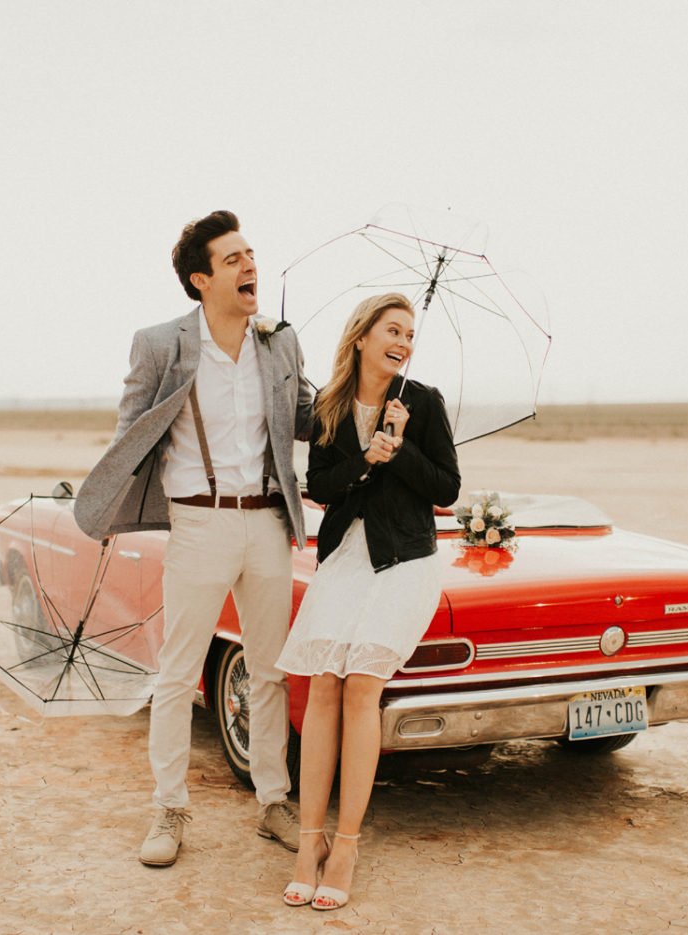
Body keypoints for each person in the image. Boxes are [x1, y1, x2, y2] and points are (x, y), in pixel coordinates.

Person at [71, 210, 312, 866]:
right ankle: (169, 807)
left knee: (270, 671)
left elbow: (310, 418)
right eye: (233, 259)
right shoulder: (160, 344)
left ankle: (273, 801)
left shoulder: (279, 342)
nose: (250, 266)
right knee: (178, 672)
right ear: (201, 279)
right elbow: (132, 434)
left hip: (267, 521)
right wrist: (110, 505)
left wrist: (372, 403)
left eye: (251, 254)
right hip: (199, 521)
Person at [274, 292, 460, 910]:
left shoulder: (423, 402)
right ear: (361, 337)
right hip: (345, 560)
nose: (404, 341)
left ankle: (346, 844)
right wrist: (364, 460)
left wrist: (401, 449)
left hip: (405, 558)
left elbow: (448, 489)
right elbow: (319, 485)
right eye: (393, 330)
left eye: (411, 333)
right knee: (323, 682)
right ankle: (310, 841)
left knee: (360, 686)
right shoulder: (328, 407)